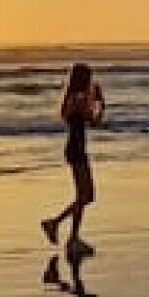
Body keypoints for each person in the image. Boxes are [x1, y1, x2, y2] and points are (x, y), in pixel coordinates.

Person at [42, 60, 105, 258]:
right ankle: (60, 227)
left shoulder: (72, 99)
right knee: (85, 196)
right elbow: (92, 120)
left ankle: (70, 234)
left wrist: (98, 104)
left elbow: (92, 122)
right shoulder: (77, 99)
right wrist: (98, 103)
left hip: (76, 149)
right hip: (76, 150)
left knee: (85, 196)